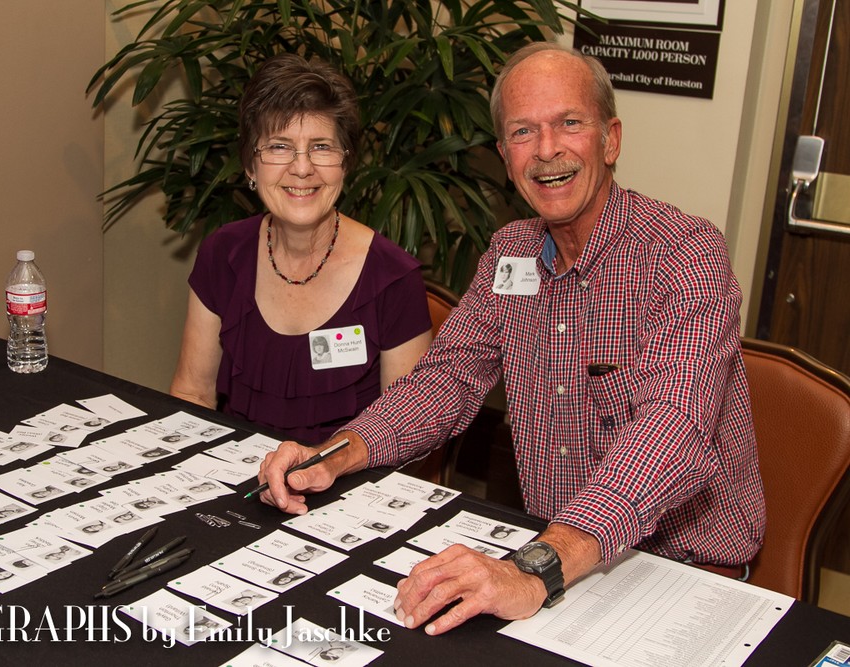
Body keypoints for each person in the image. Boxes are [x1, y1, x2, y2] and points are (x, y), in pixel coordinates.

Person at [255, 42, 765, 636]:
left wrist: (536, 567)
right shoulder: (511, 253)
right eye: (523, 132)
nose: (546, 150)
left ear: (611, 140)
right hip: (550, 555)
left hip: (679, 570)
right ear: (505, 155)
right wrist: (333, 455)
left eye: (569, 123)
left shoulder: (686, 253)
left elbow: (673, 427)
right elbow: (446, 380)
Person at [169, 53, 432, 444]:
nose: (303, 168)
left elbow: (404, 434)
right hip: (231, 473)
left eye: (321, 147)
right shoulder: (222, 254)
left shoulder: (393, 279)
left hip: (349, 480)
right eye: (279, 147)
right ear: (250, 166)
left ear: (346, 164)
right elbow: (193, 395)